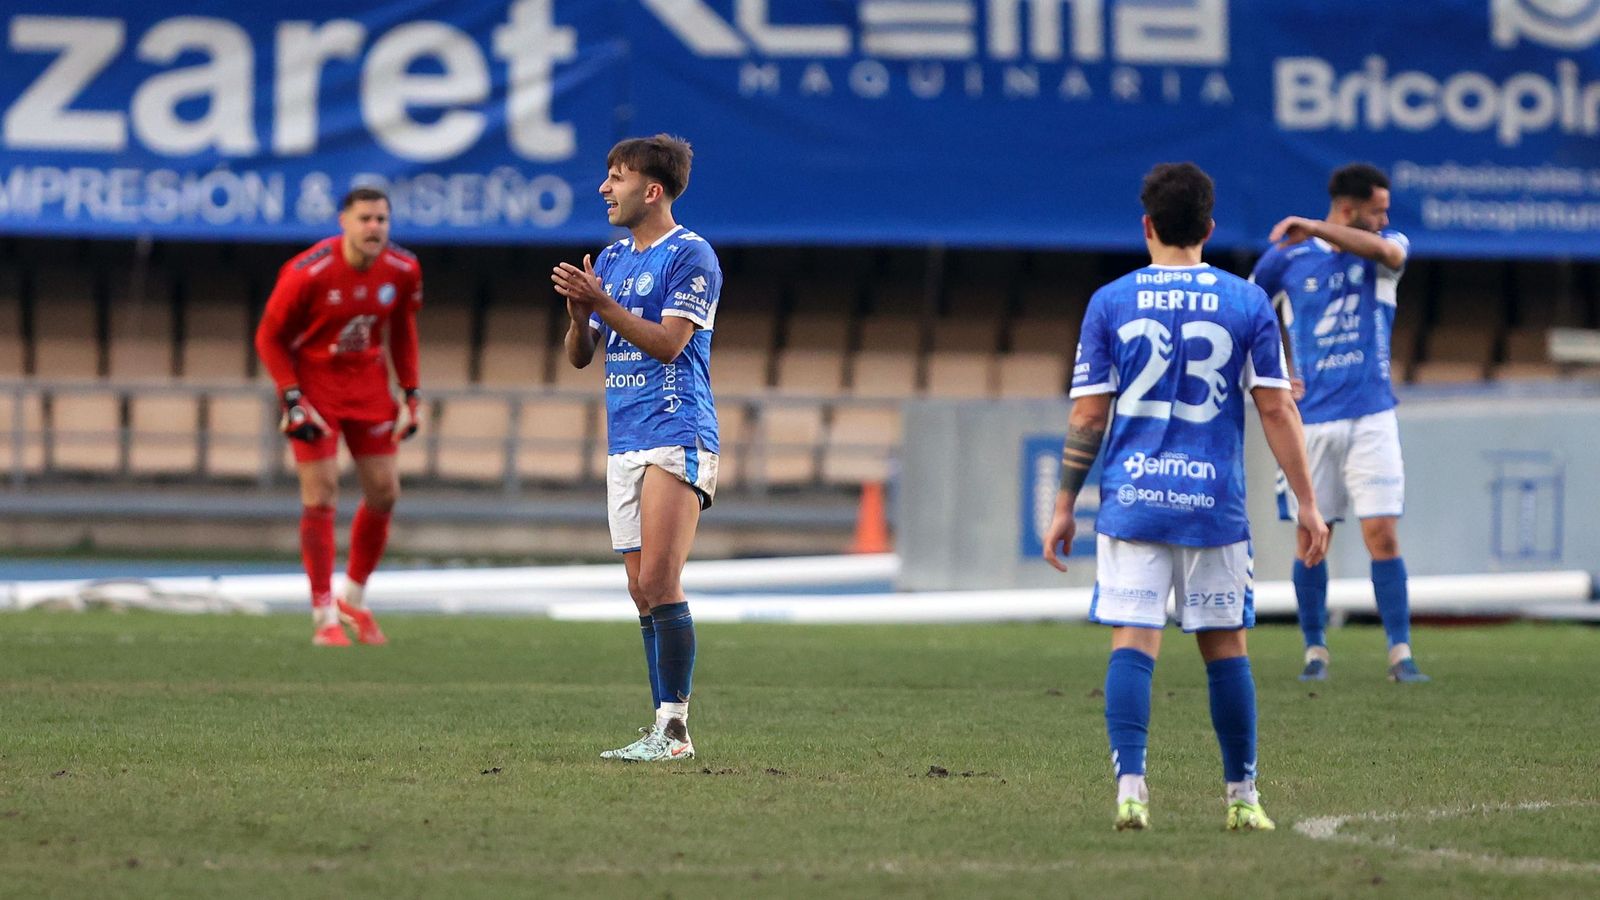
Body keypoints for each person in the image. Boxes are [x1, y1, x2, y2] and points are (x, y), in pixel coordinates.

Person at [1043, 162, 1330, 832]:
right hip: (1213, 506)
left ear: (1147, 225)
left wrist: (1063, 505)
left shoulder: (1110, 301)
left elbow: (1088, 415)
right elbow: (1277, 409)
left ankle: (1131, 792)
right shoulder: (1246, 303)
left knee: (1133, 639)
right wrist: (1308, 503)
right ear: (1209, 226)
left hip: (1133, 501)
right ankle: (1242, 798)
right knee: (1226, 649)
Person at [552, 134, 722, 762]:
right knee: (640, 589)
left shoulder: (691, 254)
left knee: (659, 578)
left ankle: (675, 732)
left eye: (616, 176)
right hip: (624, 436)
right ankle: (660, 728)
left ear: (651, 191)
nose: (604, 187)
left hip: (677, 428)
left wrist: (602, 302)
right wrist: (580, 316)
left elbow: (670, 344)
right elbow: (581, 356)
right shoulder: (614, 258)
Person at [1249, 163, 1429, 684]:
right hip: (1310, 422)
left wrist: (1316, 226)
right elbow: (1248, 314)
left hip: (1373, 413)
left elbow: (1389, 253)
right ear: (1349, 208)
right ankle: (1315, 651)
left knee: (1382, 533)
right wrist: (1275, 374)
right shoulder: (1286, 259)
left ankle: (1400, 653)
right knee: (1312, 537)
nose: (1386, 219)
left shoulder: (1385, 247)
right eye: (1378, 209)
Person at [254, 186, 423, 647]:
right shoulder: (307, 271)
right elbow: (268, 337)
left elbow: (402, 329)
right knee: (321, 492)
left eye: (381, 219)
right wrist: (291, 397)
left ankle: (354, 598)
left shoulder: (403, 268)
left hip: (368, 385)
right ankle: (323, 613)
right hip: (315, 386)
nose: (374, 227)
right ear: (343, 221)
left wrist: (410, 392)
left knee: (385, 491)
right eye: (365, 218)